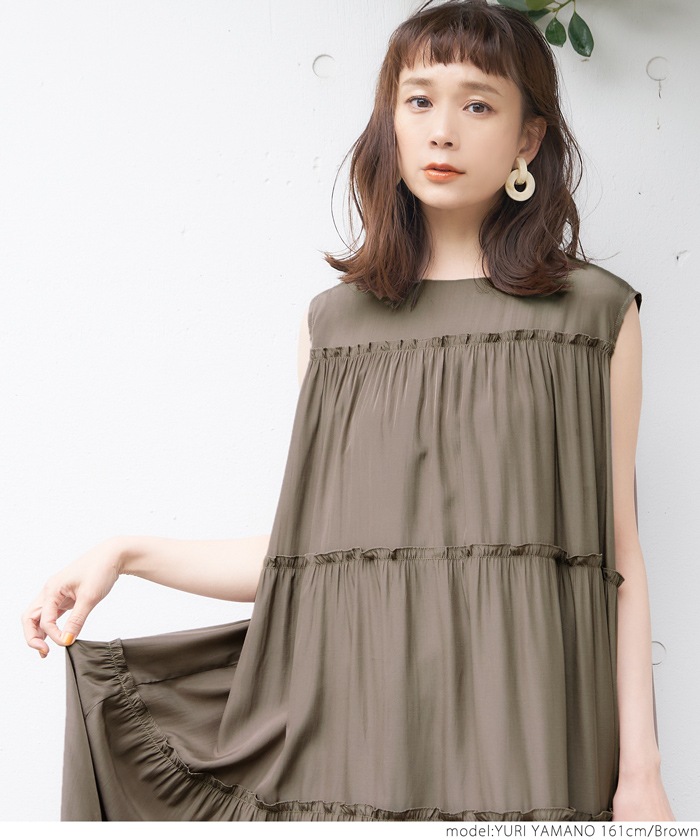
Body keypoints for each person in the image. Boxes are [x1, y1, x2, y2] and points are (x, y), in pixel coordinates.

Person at [21, 0, 675, 822]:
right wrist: (125, 553)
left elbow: (618, 558)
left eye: (478, 105)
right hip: (356, 740)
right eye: (419, 100)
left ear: (527, 139)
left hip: (530, 733)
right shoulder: (333, 327)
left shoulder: (594, 315)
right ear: (389, 123)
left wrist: (641, 770)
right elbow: (311, 562)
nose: (442, 132)